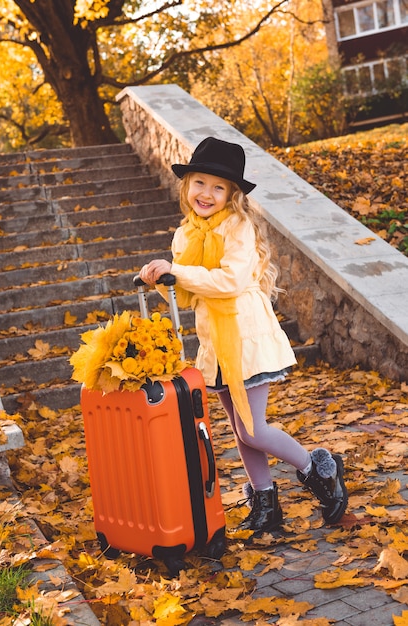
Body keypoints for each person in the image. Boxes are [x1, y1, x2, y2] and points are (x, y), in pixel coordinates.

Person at [139, 136, 348, 535]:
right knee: (242, 432)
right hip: (215, 343)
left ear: (232, 194)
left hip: (245, 336)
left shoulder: (238, 227)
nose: (207, 193)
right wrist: (162, 277)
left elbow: (230, 281)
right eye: (200, 182)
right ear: (188, 185)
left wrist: (179, 271)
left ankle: (318, 468)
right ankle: (265, 499)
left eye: (219, 187)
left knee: (254, 427)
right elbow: (186, 291)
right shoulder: (186, 234)